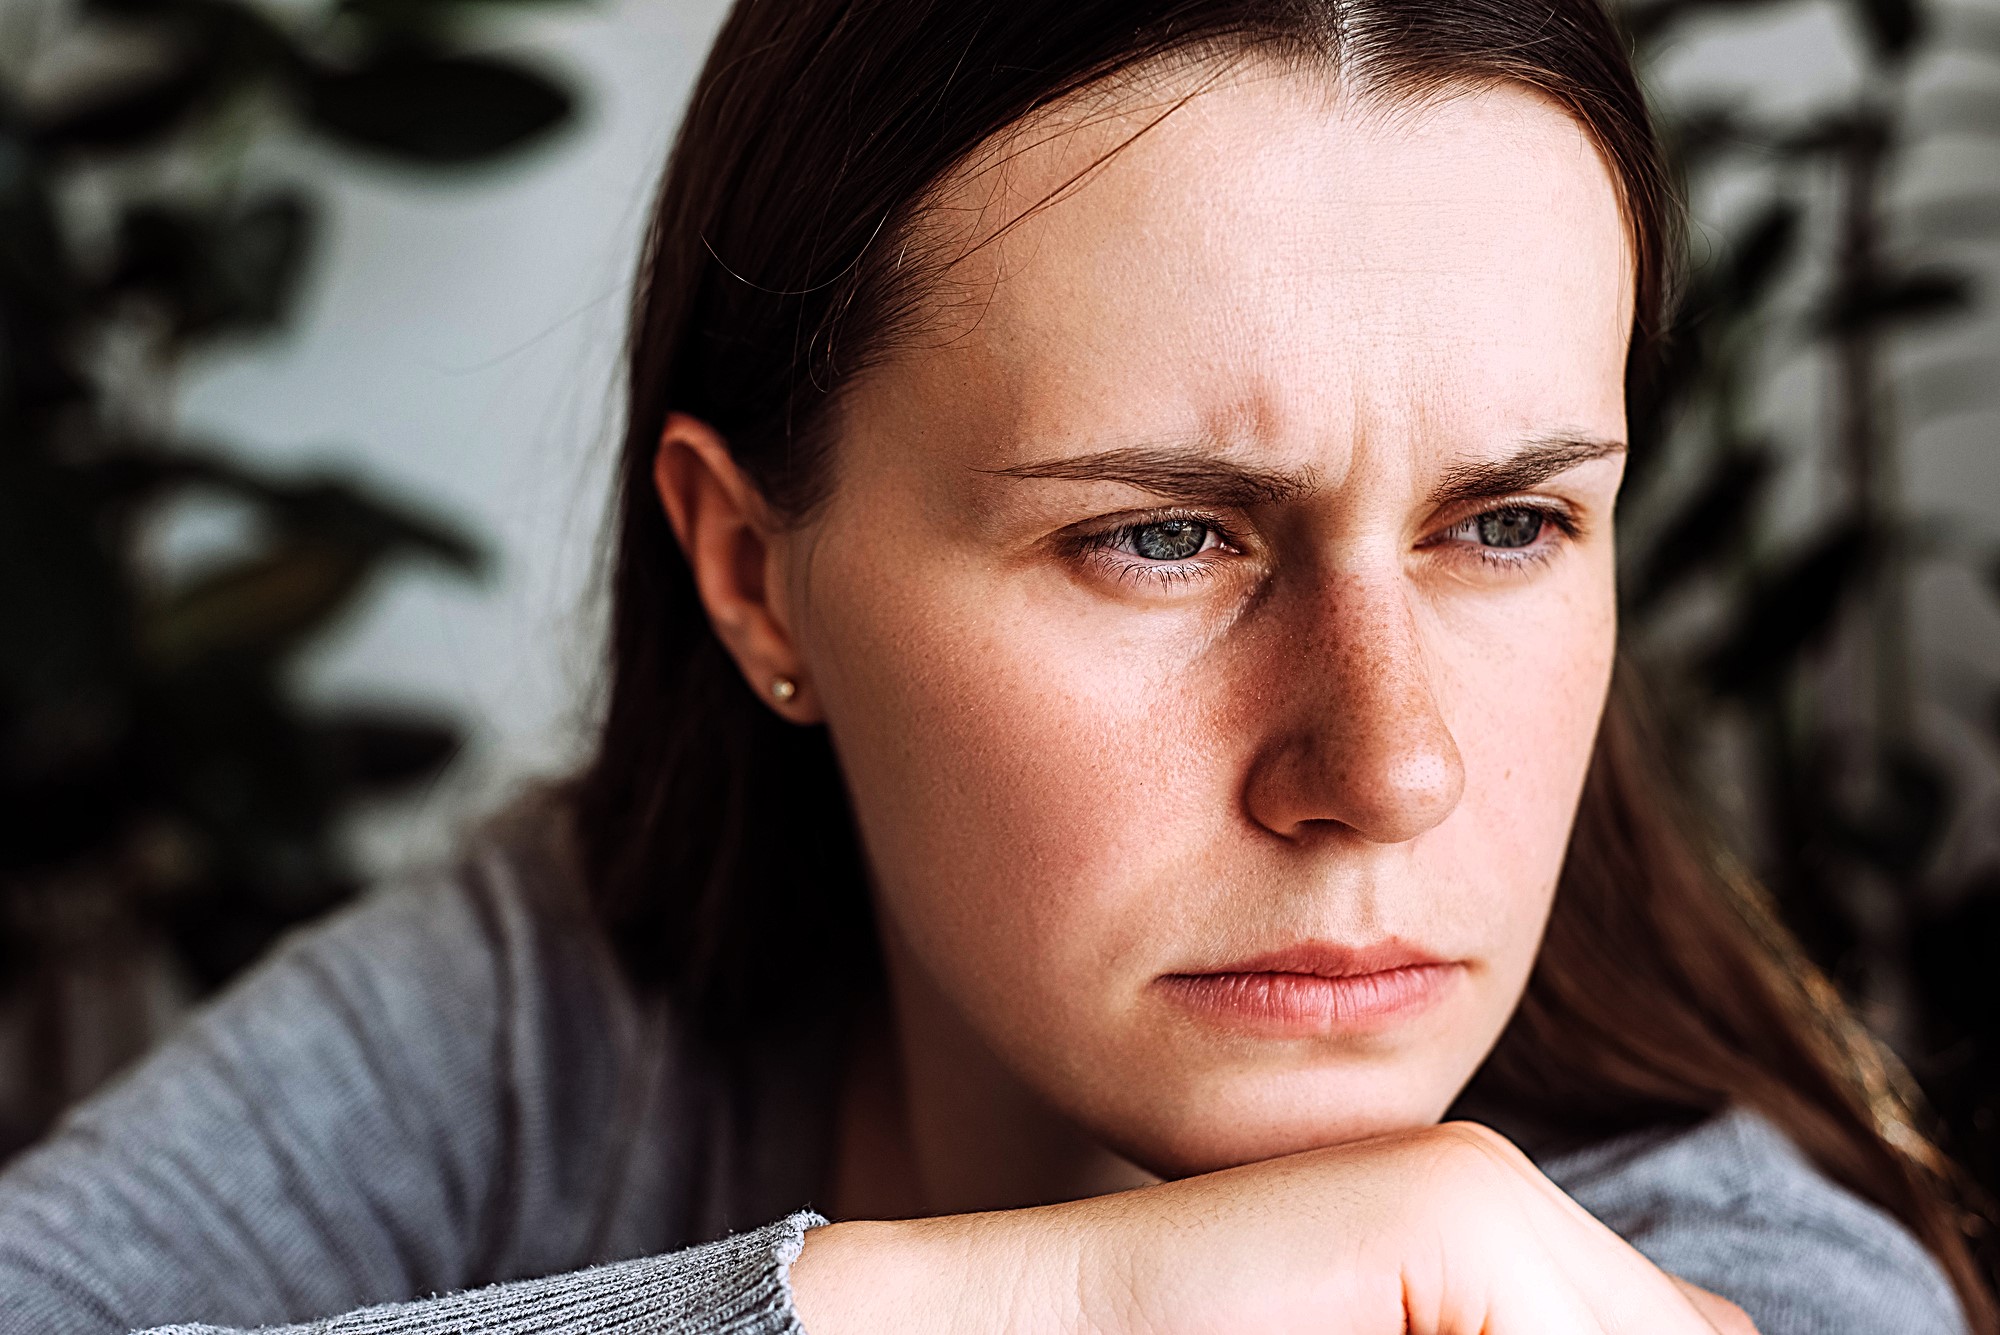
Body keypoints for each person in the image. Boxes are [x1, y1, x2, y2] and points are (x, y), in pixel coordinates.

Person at [1, 1, 1990, 1331]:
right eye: (1162, 533)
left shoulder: (1728, 1289)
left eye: (1504, 523)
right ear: (756, 576)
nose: (1387, 767)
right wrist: (1035, 1298)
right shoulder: (564, 1009)